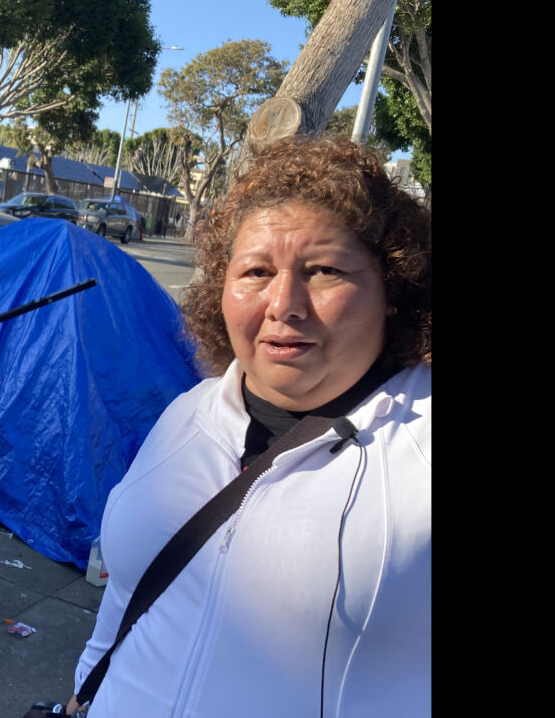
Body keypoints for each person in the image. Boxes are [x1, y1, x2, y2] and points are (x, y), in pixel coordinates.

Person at [64, 135, 431, 717]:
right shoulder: (189, 413)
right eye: (256, 271)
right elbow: (126, 593)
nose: (283, 303)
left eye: (325, 270)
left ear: (392, 288)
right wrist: (87, 686)